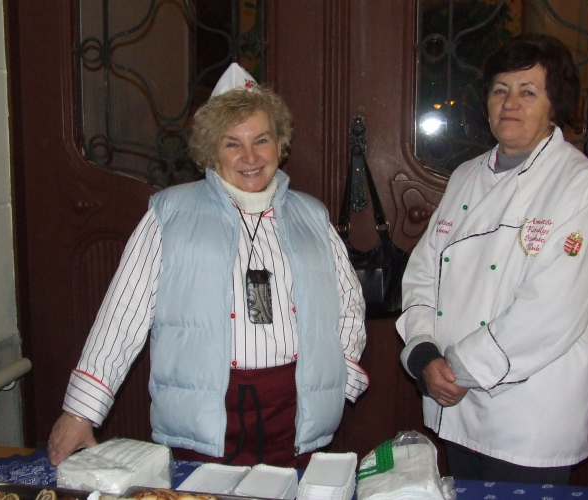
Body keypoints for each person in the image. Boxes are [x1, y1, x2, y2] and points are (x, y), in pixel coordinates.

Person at [47, 63, 368, 468]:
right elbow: (122, 315)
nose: (250, 157)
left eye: (261, 140)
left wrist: (339, 375)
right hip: (204, 422)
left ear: (280, 144)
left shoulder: (313, 217)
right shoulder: (170, 214)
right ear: (211, 151)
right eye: (232, 143)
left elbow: (349, 303)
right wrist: (81, 412)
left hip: (298, 416)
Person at [398, 34, 588, 484]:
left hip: (527, 420)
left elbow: (552, 309)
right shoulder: (466, 175)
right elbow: (423, 272)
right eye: (500, 90)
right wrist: (423, 351)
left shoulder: (580, 185)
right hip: (455, 406)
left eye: (528, 92)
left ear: (554, 105)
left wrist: (458, 370)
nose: (510, 103)